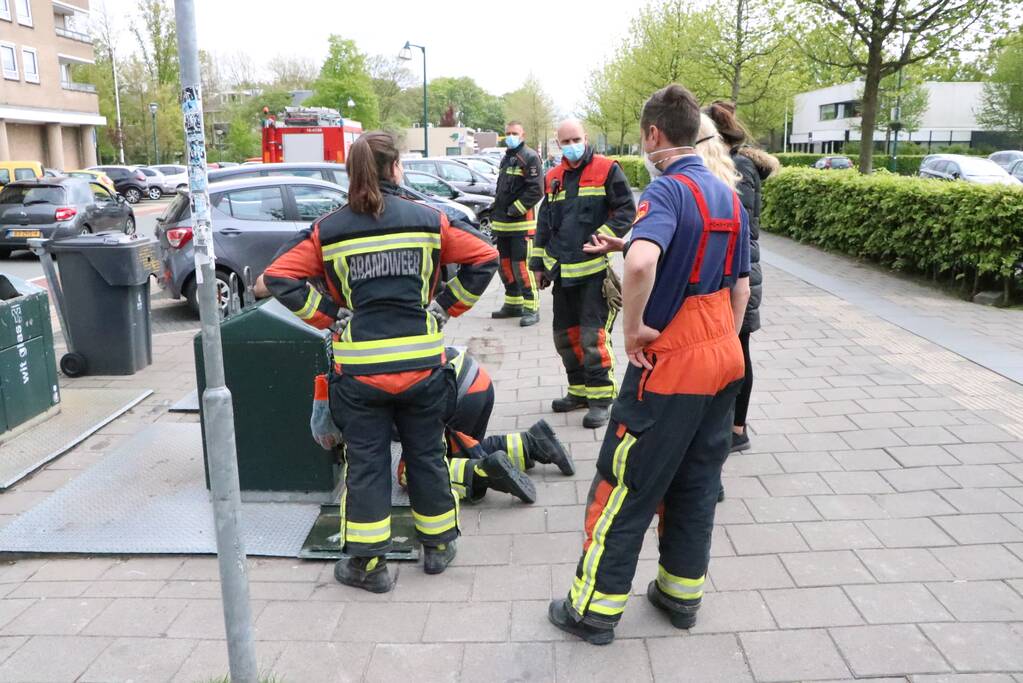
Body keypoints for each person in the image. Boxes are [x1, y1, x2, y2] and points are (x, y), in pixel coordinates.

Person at [548, 85, 750, 645]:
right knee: (695, 482)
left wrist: (634, 328)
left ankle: (592, 610)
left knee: (624, 483)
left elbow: (642, 262)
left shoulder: (666, 189)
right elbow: (741, 285)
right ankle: (680, 597)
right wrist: (720, 344)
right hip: (722, 356)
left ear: (654, 136)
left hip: (671, 361)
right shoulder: (726, 194)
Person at [264, 131, 498, 593]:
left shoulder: (328, 230)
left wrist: (329, 317)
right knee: (427, 455)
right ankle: (437, 548)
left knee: (367, 463)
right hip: (423, 368)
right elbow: (485, 257)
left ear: (352, 174)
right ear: (395, 169)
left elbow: (278, 276)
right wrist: (446, 306)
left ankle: (368, 567)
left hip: (360, 373)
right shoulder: (431, 220)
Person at [530, 119, 636, 429]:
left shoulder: (606, 169)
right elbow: (544, 224)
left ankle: (601, 399)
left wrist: (600, 240)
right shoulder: (553, 177)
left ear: (586, 138)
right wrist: (538, 266)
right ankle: (578, 391)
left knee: (594, 338)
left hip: (593, 275)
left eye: (576, 138)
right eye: (566, 141)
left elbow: (626, 211)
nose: (572, 144)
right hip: (562, 274)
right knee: (565, 337)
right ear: (558, 143)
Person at [704, 100, 778, 454]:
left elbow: (739, 227)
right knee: (732, 349)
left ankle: (737, 429)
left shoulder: (740, 168)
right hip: (736, 270)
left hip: (741, 273)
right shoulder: (732, 165)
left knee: (739, 350)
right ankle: (728, 424)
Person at [491, 121, 544, 326]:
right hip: (503, 226)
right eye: (507, 133)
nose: (510, 136)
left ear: (523, 135)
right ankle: (513, 304)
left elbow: (536, 190)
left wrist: (515, 210)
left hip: (521, 226)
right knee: (504, 267)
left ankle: (532, 308)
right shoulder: (508, 157)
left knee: (521, 268)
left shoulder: (529, 157)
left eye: (514, 133)